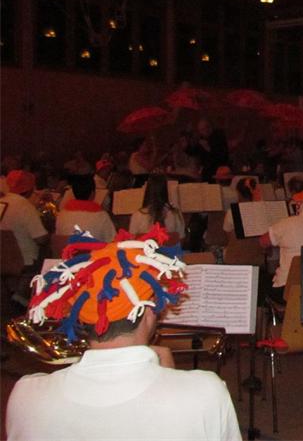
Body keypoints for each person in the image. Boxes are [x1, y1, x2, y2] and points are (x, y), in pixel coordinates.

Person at [6, 231, 242, 441]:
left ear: (79, 314)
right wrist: (172, 379)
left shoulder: (26, 396)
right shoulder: (206, 392)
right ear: (149, 311)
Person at [0, 170, 48, 266]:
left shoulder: (2, 201)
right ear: (30, 189)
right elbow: (41, 239)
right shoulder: (25, 207)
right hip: (24, 261)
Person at [56, 175, 116, 242]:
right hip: (91, 249)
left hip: (68, 248)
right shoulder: (101, 216)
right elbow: (113, 240)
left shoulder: (61, 215)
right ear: (92, 193)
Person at [128, 174, 185, 239]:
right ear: (165, 191)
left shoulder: (137, 215)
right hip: (170, 246)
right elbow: (181, 239)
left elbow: (131, 240)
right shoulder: (175, 214)